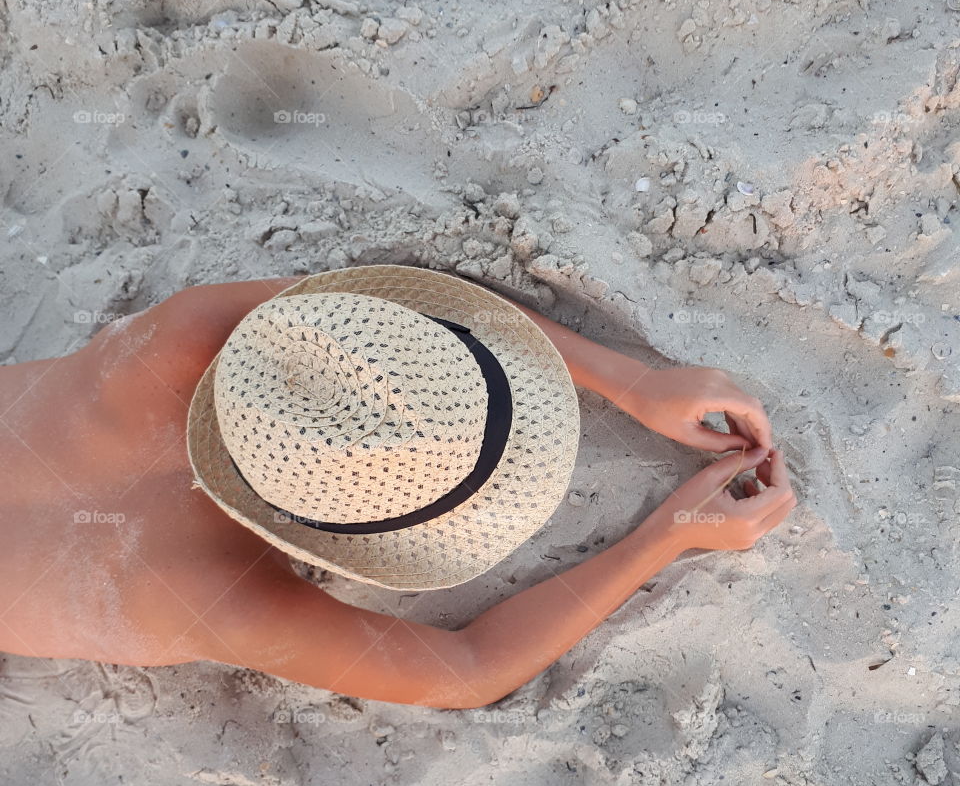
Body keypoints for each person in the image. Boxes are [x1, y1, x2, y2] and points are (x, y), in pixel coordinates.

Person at [0, 265, 795, 709]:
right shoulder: (208, 594)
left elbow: (383, 323)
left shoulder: (186, 341)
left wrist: (634, 381)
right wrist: (666, 538)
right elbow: (469, 668)